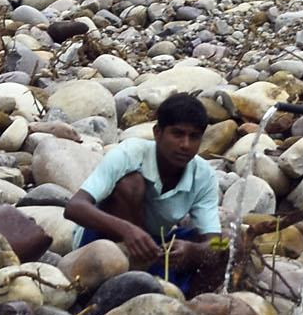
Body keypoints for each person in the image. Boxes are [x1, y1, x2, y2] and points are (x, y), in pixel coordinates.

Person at [64, 93, 226, 292]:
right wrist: (127, 230)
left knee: (230, 242)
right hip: (104, 242)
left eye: (194, 137)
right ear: (158, 133)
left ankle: (191, 303)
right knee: (131, 184)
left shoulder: (203, 175)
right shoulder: (130, 154)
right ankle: (119, 283)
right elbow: (74, 207)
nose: (185, 145)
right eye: (177, 134)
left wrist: (193, 251)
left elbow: (215, 241)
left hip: (156, 245)